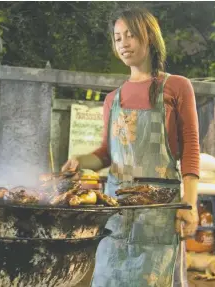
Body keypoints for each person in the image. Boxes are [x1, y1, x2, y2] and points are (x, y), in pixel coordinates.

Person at [61, 7, 200, 286]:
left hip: (160, 210)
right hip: (117, 209)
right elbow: (106, 155)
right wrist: (79, 161)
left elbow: (191, 150)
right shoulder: (113, 99)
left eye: (130, 35)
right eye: (117, 37)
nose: (123, 43)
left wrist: (190, 204)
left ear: (149, 37)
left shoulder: (176, 87)